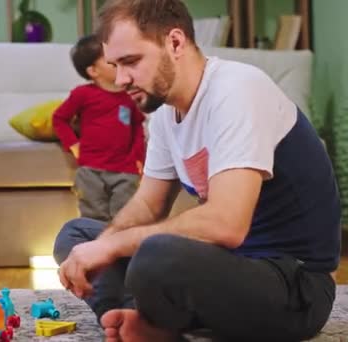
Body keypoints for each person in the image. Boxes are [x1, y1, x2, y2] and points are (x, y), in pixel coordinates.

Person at [53, 0, 340, 341]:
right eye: (114, 65)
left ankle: (153, 318)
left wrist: (112, 248)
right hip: (225, 269)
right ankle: (141, 320)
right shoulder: (163, 113)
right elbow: (147, 206)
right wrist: (103, 245)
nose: (120, 79)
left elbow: (226, 224)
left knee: (155, 255)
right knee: (77, 237)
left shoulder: (237, 89)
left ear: (175, 42)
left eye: (131, 62)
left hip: (294, 288)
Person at [53, 34, 146, 223]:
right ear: (93, 71)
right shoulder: (82, 94)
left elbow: (137, 127)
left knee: (125, 218)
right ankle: (95, 250)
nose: (118, 63)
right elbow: (59, 119)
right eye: (110, 61)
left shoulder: (130, 96)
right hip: (91, 169)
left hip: (125, 170)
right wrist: (74, 145)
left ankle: (121, 251)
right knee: (93, 217)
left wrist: (139, 157)